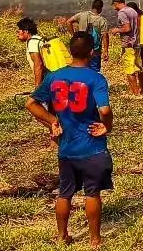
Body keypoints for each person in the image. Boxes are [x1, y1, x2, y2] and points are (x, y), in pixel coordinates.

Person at [26, 33, 113, 248]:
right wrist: (107, 126)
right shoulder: (96, 78)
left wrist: (52, 120)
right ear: (92, 53)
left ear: (70, 52)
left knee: (65, 193)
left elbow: (31, 103)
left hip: (66, 147)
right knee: (92, 193)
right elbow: (104, 109)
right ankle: (95, 240)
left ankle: (62, 236)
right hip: (92, 146)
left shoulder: (54, 76)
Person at [109, 0, 142, 96]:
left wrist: (116, 30)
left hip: (128, 45)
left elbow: (127, 28)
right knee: (139, 68)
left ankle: (136, 94)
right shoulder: (133, 11)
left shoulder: (122, 13)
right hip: (137, 43)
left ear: (115, 3)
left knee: (129, 70)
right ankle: (141, 89)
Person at [66, 0, 109, 73]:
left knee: (80, 69)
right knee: (94, 71)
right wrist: (106, 51)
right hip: (95, 51)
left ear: (92, 7)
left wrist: (74, 36)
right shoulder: (102, 21)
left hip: (80, 48)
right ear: (100, 9)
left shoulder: (82, 15)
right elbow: (105, 36)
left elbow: (68, 22)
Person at [16, 17, 45, 88]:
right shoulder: (39, 39)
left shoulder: (32, 42)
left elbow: (38, 65)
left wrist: (37, 86)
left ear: (26, 31)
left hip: (48, 80)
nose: (17, 35)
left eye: (18, 32)